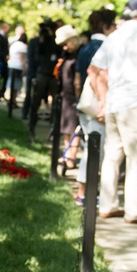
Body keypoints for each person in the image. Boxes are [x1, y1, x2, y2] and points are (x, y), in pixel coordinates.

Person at [90, 0, 137, 224]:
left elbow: (93, 70)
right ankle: (134, 212)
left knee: (112, 156)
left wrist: (103, 99)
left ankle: (108, 204)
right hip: (136, 102)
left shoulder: (114, 36)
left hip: (114, 103)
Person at [74, 9, 117, 205]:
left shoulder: (84, 48)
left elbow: (77, 80)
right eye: (113, 24)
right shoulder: (105, 47)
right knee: (94, 151)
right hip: (97, 106)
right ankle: (85, 193)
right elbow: (96, 77)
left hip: (86, 105)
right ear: (106, 26)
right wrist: (102, 103)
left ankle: (86, 191)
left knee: (90, 148)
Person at [54, 25, 82, 170]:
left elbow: (78, 81)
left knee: (74, 128)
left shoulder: (79, 55)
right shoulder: (67, 56)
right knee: (66, 127)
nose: (64, 47)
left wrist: (78, 98)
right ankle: (67, 155)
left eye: (66, 43)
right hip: (65, 96)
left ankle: (72, 156)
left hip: (74, 97)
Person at [26, 21, 58, 143]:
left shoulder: (55, 42)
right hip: (41, 73)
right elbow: (34, 57)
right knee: (35, 102)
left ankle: (53, 130)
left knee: (55, 104)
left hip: (52, 74)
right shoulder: (36, 42)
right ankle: (31, 128)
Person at [7, 32, 27, 117]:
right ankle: (12, 101)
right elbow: (22, 59)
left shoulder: (14, 44)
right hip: (18, 67)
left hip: (11, 65)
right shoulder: (23, 46)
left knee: (12, 84)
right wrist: (25, 68)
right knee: (16, 86)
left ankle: (12, 101)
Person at [0, 21, 10, 101]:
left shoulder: (5, 37)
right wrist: (4, 56)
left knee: (5, 77)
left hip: (4, 60)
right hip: (0, 60)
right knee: (0, 77)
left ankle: (1, 93)